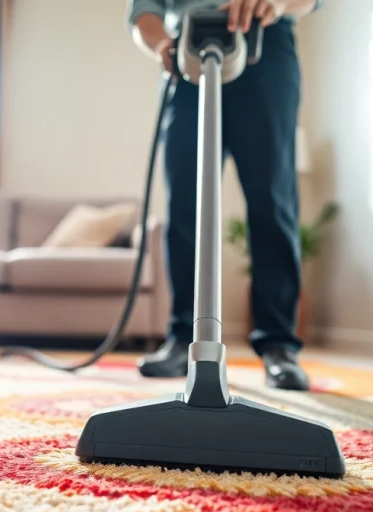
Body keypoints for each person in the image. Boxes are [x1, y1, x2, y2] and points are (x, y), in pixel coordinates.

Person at [129, 0, 325, 390]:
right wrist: (162, 46)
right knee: (185, 204)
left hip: (265, 50)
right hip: (187, 56)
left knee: (273, 200)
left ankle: (279, 345)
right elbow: (143, 14)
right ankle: (183, 337)